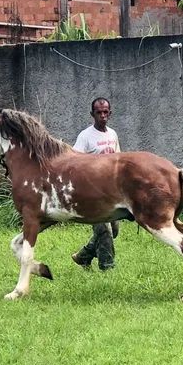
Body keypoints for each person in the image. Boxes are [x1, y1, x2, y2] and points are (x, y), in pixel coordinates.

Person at [71, 97, 120, 271]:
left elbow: (118, 159)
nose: (102, 115)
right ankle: (107, 268)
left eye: (105, 112)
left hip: (111, 191)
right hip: (92, 193)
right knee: (104, 230)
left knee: (114, 229)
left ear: (110, 113)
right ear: (92, 114)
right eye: (99, 112)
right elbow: (74, 162)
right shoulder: (85, 136)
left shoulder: (112, 134)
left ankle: (83, 256)